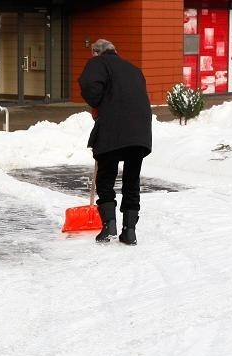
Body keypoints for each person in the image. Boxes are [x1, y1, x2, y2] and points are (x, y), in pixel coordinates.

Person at [78, 39, 152, 245]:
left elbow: (89, 87)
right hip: (140, 132)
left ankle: (109, 226)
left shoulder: (98, 63)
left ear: (95, 52)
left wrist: (99, 103)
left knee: (106, 176)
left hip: (113, 129)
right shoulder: (134, 69)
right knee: (131, 179)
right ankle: (130, 232)